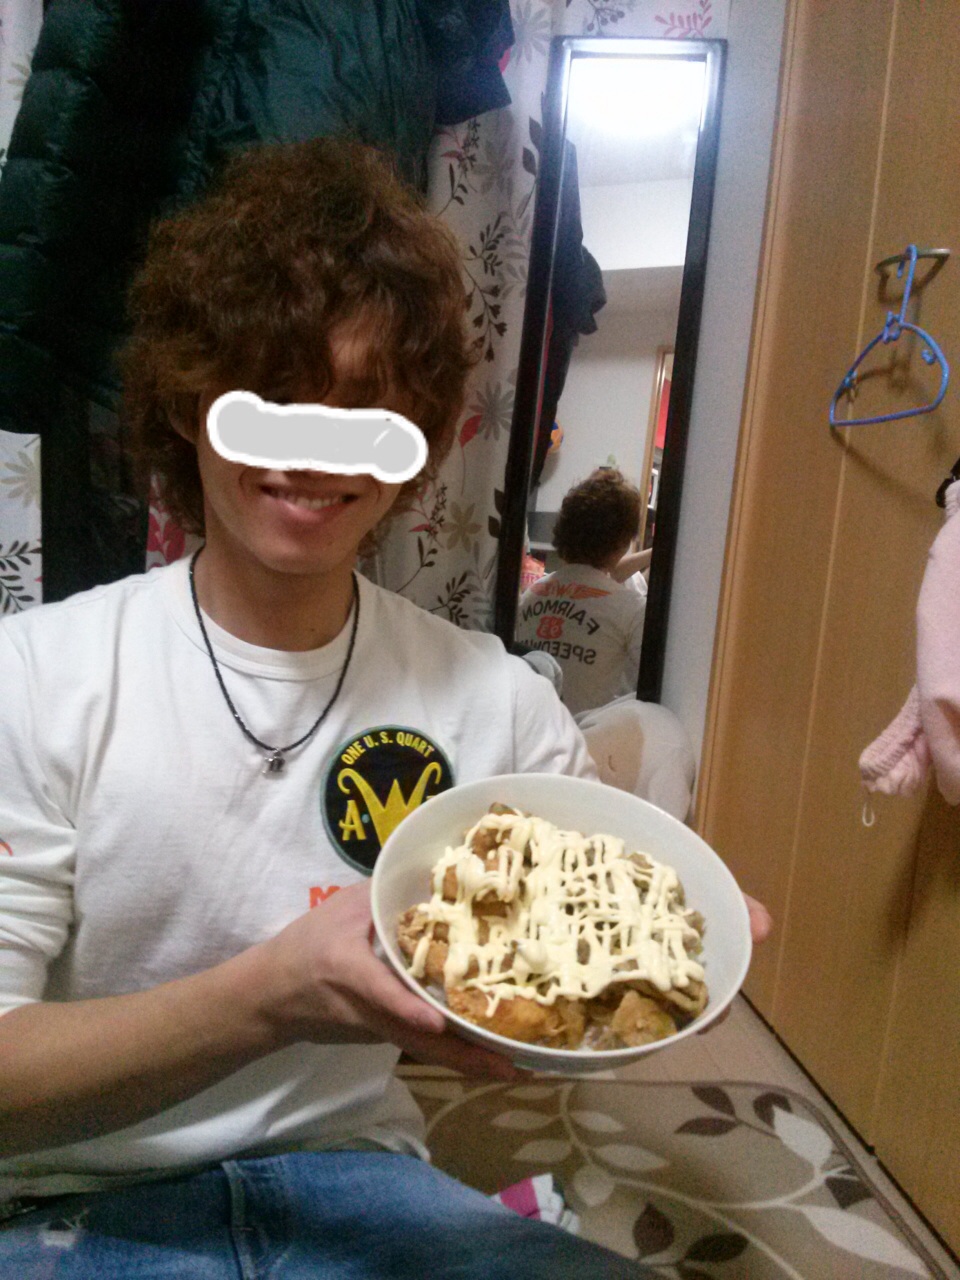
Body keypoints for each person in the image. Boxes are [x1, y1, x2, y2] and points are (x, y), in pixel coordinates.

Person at [0, 139, 769, 1278]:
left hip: (359, 1174)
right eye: (268, 399)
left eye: (362, 411)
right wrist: (271, 997)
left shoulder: (498, 702)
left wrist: (670, 943)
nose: (311, 453)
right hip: (76, 1196)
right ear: (187, 405)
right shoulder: (36, 674)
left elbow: (583, 928)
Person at [516, 468, 648, 716]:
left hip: (526, 728)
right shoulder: (632, 610)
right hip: (584, 736)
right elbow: (648, 693)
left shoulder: (529, 596)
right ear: (623, 543)